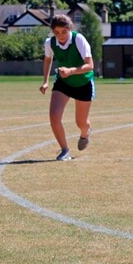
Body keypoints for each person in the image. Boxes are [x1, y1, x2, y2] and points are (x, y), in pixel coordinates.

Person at [39, 14, 94, 161]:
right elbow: (48, 59)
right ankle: (64, 150)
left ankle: (85, 132)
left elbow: (90, 66)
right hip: (63, 83)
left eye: (63, 32)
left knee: (80, 122)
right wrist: (45, 81)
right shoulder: (49, 43)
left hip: (83, 82)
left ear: (69, 29)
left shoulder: (79, 39)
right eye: (56, 33)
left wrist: (71, 71)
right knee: (54, 116)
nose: (60, 36)